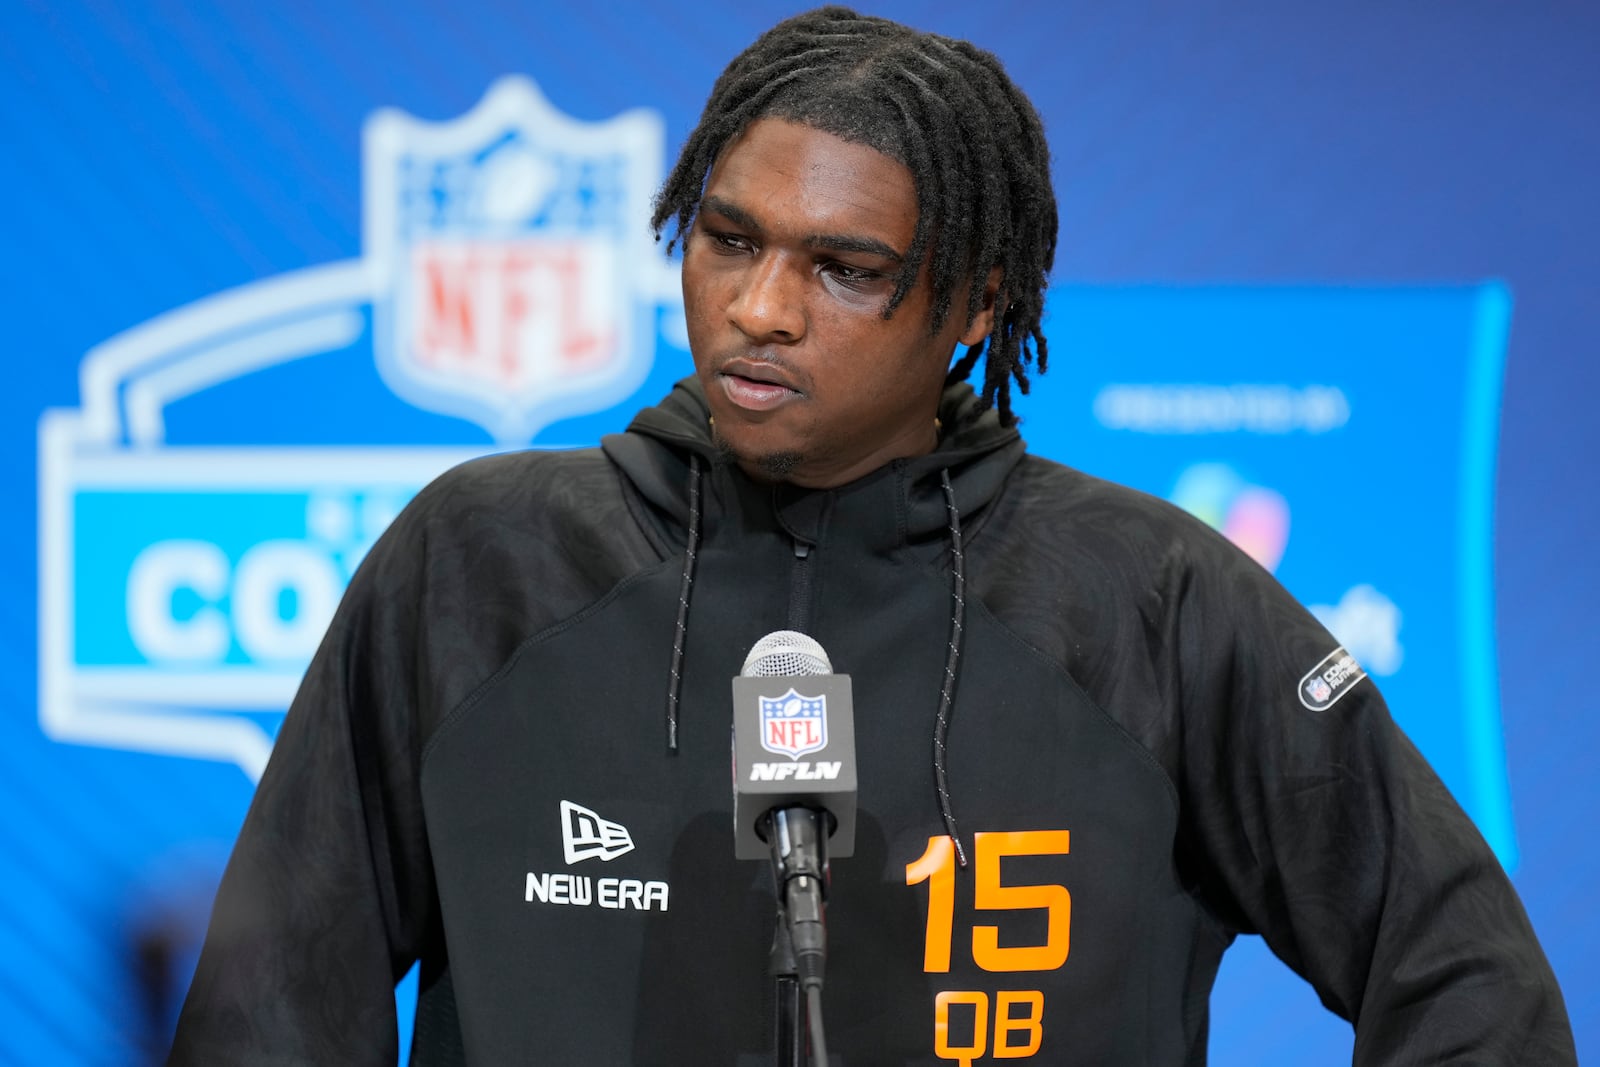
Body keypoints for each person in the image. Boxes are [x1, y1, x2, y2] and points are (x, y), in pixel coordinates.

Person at [169, 7, 1575, 1064]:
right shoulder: (477, 561)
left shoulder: (1153, 598)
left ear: (974, 302)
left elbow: (1469, 981)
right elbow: (271, 1016)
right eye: (728, 240)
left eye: (845, 269)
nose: (763, 309)